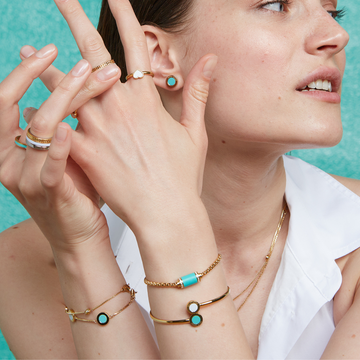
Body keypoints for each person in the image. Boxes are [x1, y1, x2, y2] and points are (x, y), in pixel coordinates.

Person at [0, 0, 360, 359]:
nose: (336, 35)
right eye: (275, 5)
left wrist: (170, 219)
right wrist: (80, 247)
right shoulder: (22, 259)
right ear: (156, 54)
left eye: (331, 11)